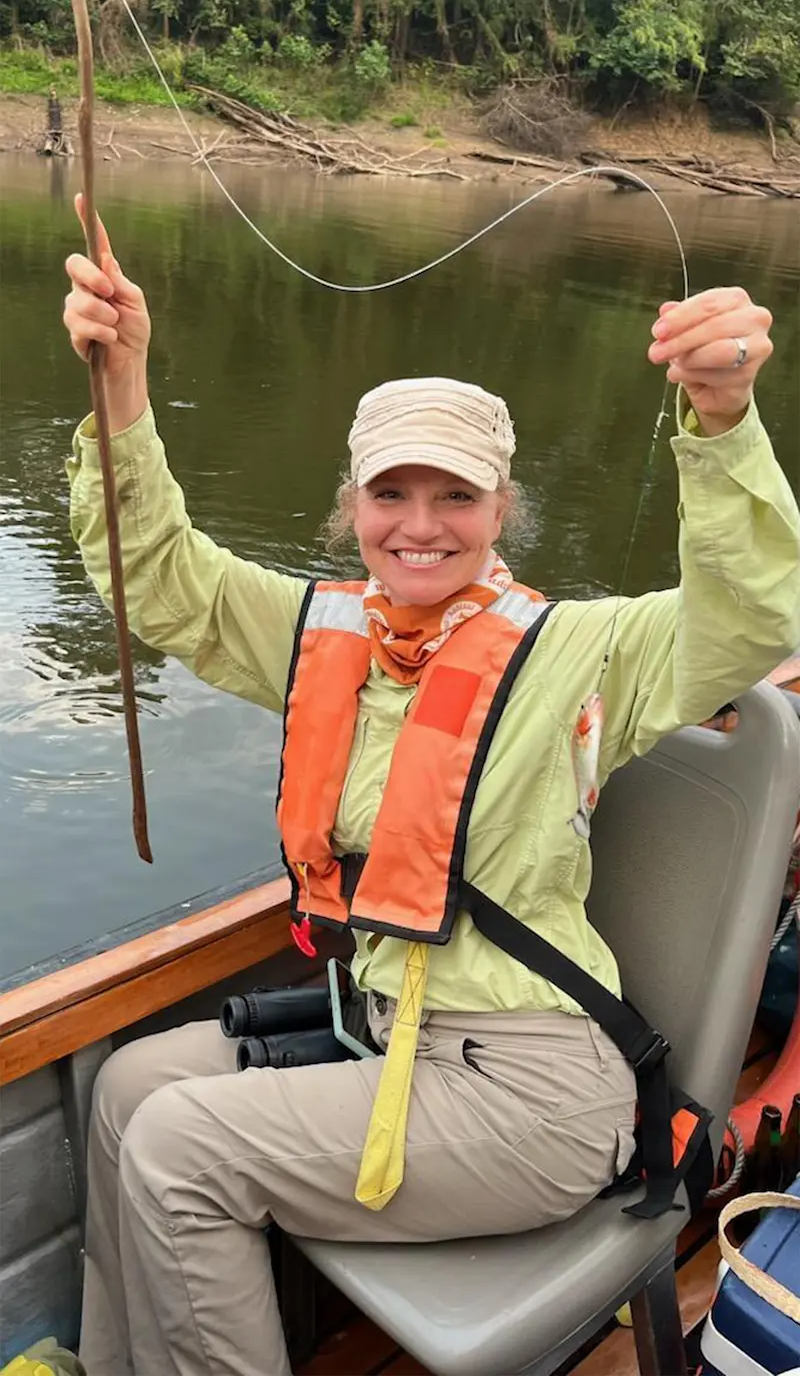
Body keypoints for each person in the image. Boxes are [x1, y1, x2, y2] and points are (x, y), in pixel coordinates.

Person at [62, 191, 800, 1376]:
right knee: (124, 1088)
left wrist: (719, 417)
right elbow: (156, 578)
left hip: (534, 1090)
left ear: (502, 508)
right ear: (350, 505)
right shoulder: (317, 629)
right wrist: (122, 386)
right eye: (390, 493)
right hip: (381, 1030)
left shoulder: (580, 650)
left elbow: (752, 613)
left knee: (179, 1146)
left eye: (455, 494)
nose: (420, 525)